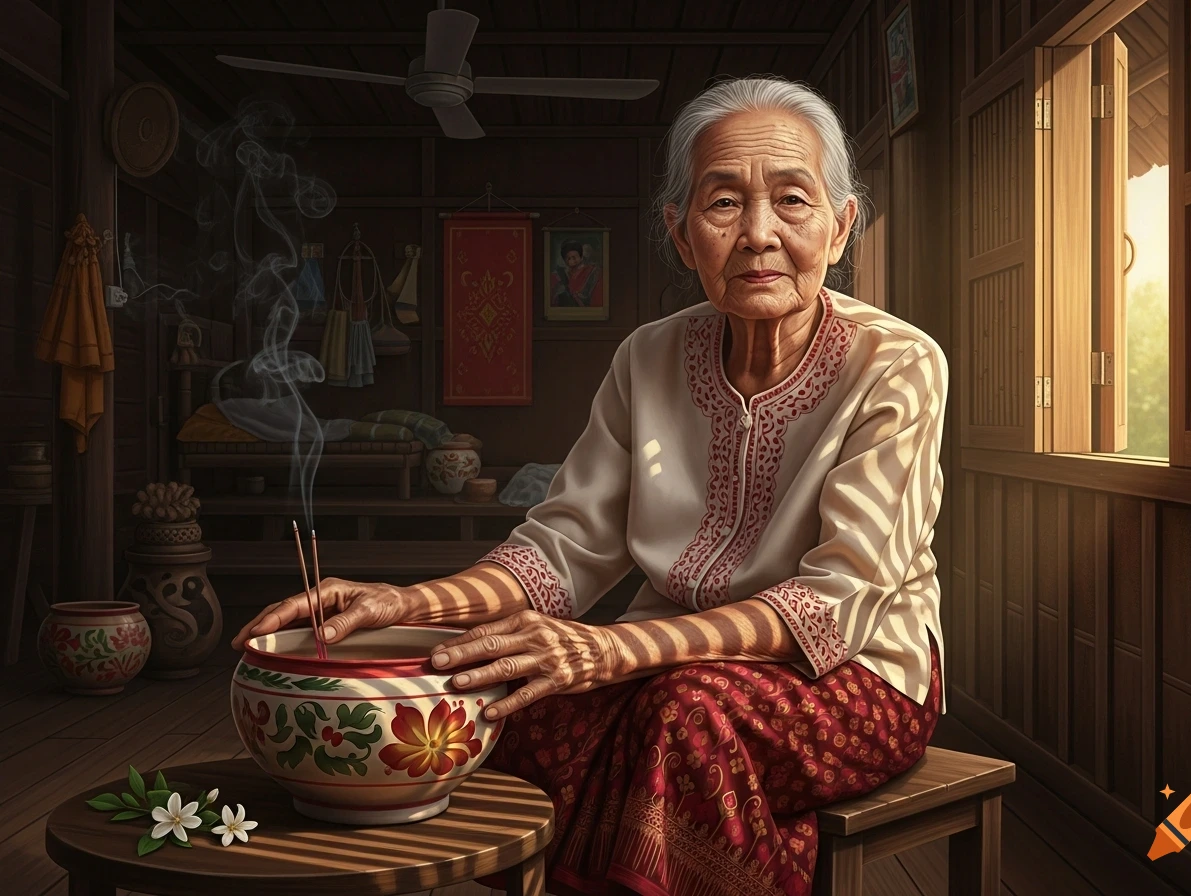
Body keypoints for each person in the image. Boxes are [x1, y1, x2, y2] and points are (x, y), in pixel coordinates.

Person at [234, 75, 949, 896]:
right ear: (681, 236)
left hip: (858, 674)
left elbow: (842, 598)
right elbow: (564, 550)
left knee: (685, 718)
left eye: (792, 200)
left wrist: (611, 648)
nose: (758, 234)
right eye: (722, 206)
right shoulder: (647, 357)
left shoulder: (896, 364)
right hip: (669, 665)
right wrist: (410, 603)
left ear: (840, 225)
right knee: (513, 704)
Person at [551, 238, 604, 307]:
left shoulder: (592, 271)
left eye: (574, 257)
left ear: (581, 257)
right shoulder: (559, 274)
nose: (571, 261)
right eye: (568, 258)